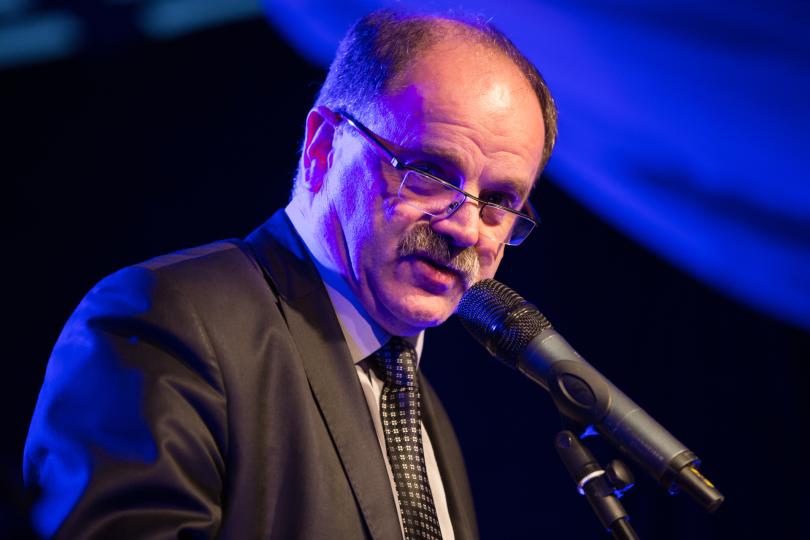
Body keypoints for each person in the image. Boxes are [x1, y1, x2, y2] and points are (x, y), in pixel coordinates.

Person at [23, 9, 557, 540]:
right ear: (323, 147)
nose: (466, 228)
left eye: (500, 201)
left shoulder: (424, 416)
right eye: (429, 172)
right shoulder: (168, 318)